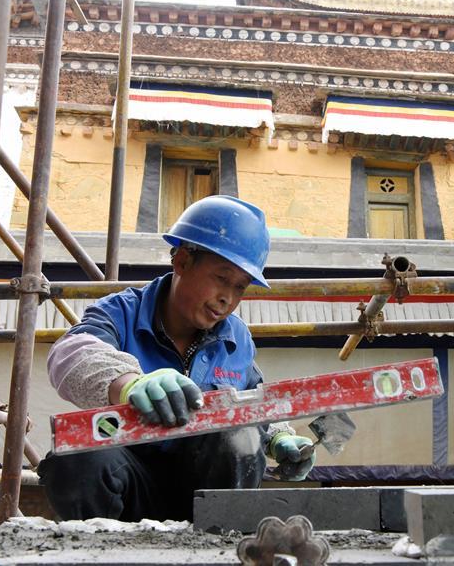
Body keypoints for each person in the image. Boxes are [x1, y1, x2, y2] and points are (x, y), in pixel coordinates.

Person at [37, 195, 316, 522]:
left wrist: (278, 438)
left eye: (240, 287)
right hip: (129, 481)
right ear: (182, 261)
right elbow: (70, 353)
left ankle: (215, 553)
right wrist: (129, 384)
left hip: (204, 497)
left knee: (241, 435)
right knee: (74, 459)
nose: (228, 298)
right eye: (222, 279)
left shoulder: (236, 338)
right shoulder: (122, 312)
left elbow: (252, 398)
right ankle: (105, 554)